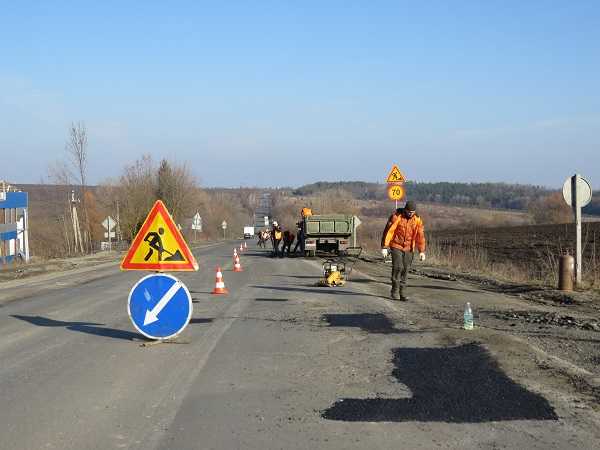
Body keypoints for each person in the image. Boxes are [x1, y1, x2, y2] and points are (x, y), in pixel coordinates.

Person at [380, 201, 426, 301]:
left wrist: (422, 251)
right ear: (405, 210)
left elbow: (420, 236)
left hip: (409, 248)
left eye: (412, 212)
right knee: (398, 267)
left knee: (405, 269)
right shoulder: (397, 217)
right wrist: (384, 247)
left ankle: (403, 293)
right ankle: (395, 290)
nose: (410, 214)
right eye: (409, 212)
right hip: (396, 245)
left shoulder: (417, 220)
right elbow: (388, 232)